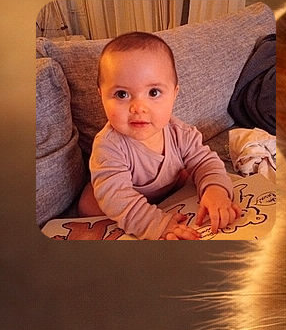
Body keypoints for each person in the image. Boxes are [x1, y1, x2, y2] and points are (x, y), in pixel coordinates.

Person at [77, 31, 241, 240]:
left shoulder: (180, 133)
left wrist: (216, 189)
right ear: (101, 95)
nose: (138, 107)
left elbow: (205, 161)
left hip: (165, 195)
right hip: (111, 203)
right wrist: (158, 224)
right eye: (121, 94)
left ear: (174, 93)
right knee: (95, 209)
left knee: (189, 173)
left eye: (153, 92)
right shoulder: (108, 146)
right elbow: (117, 198)